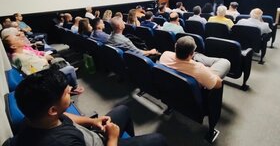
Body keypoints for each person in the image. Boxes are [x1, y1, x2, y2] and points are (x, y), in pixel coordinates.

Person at [10, 69, 167, 146]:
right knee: (158, 139)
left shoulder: (35, 117)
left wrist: (93, 121)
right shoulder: (62, 142)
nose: (71, 93)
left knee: (123, 109)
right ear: (52, 110)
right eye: (66, 93)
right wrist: (112, 138)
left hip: (91, 135)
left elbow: (67, 117)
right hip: (103, 142)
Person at [2, 31, 84, 94]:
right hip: (42, 77)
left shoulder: (22, 52)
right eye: (17, 39)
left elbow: (38, 59)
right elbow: (39, 68)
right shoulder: (19, 58)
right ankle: (74, 87)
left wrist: (45, 58)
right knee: (70, 68)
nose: (21, 38)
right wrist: (45, 58)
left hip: (43, 69)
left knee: (59, 60)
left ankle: (65, 84)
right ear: (13, 46)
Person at [160, 36, 230, 89]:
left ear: (175, 47)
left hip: (173, 89)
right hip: (197, 92)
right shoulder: (199, 68)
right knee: (225, 62)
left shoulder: (165, 54)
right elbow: (218, 85)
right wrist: (207, 72)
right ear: (192, 53)